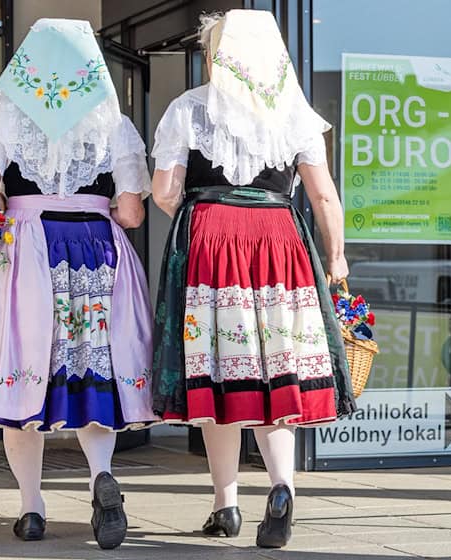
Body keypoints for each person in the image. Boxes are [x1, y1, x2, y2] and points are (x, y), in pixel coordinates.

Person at [150, 9, 356, 549]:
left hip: (212, 240)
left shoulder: (188, 110)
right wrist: (336, 258)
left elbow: (164, 191)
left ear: (220, 55)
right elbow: (324, 195)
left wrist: (199, 213)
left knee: (221, 372)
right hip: (278, 240)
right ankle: (283, 486)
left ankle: (227, 504)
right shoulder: (295, 113)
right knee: (276, 369)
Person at [0, 18, 155, 549]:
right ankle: (99, 477)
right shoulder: (113, 122)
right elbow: (134, 214)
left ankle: (31, 507)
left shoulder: (9, 117)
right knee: (94, 361)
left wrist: (4, 201)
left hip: (30, 249)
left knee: (24, 364)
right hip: (96, 248)